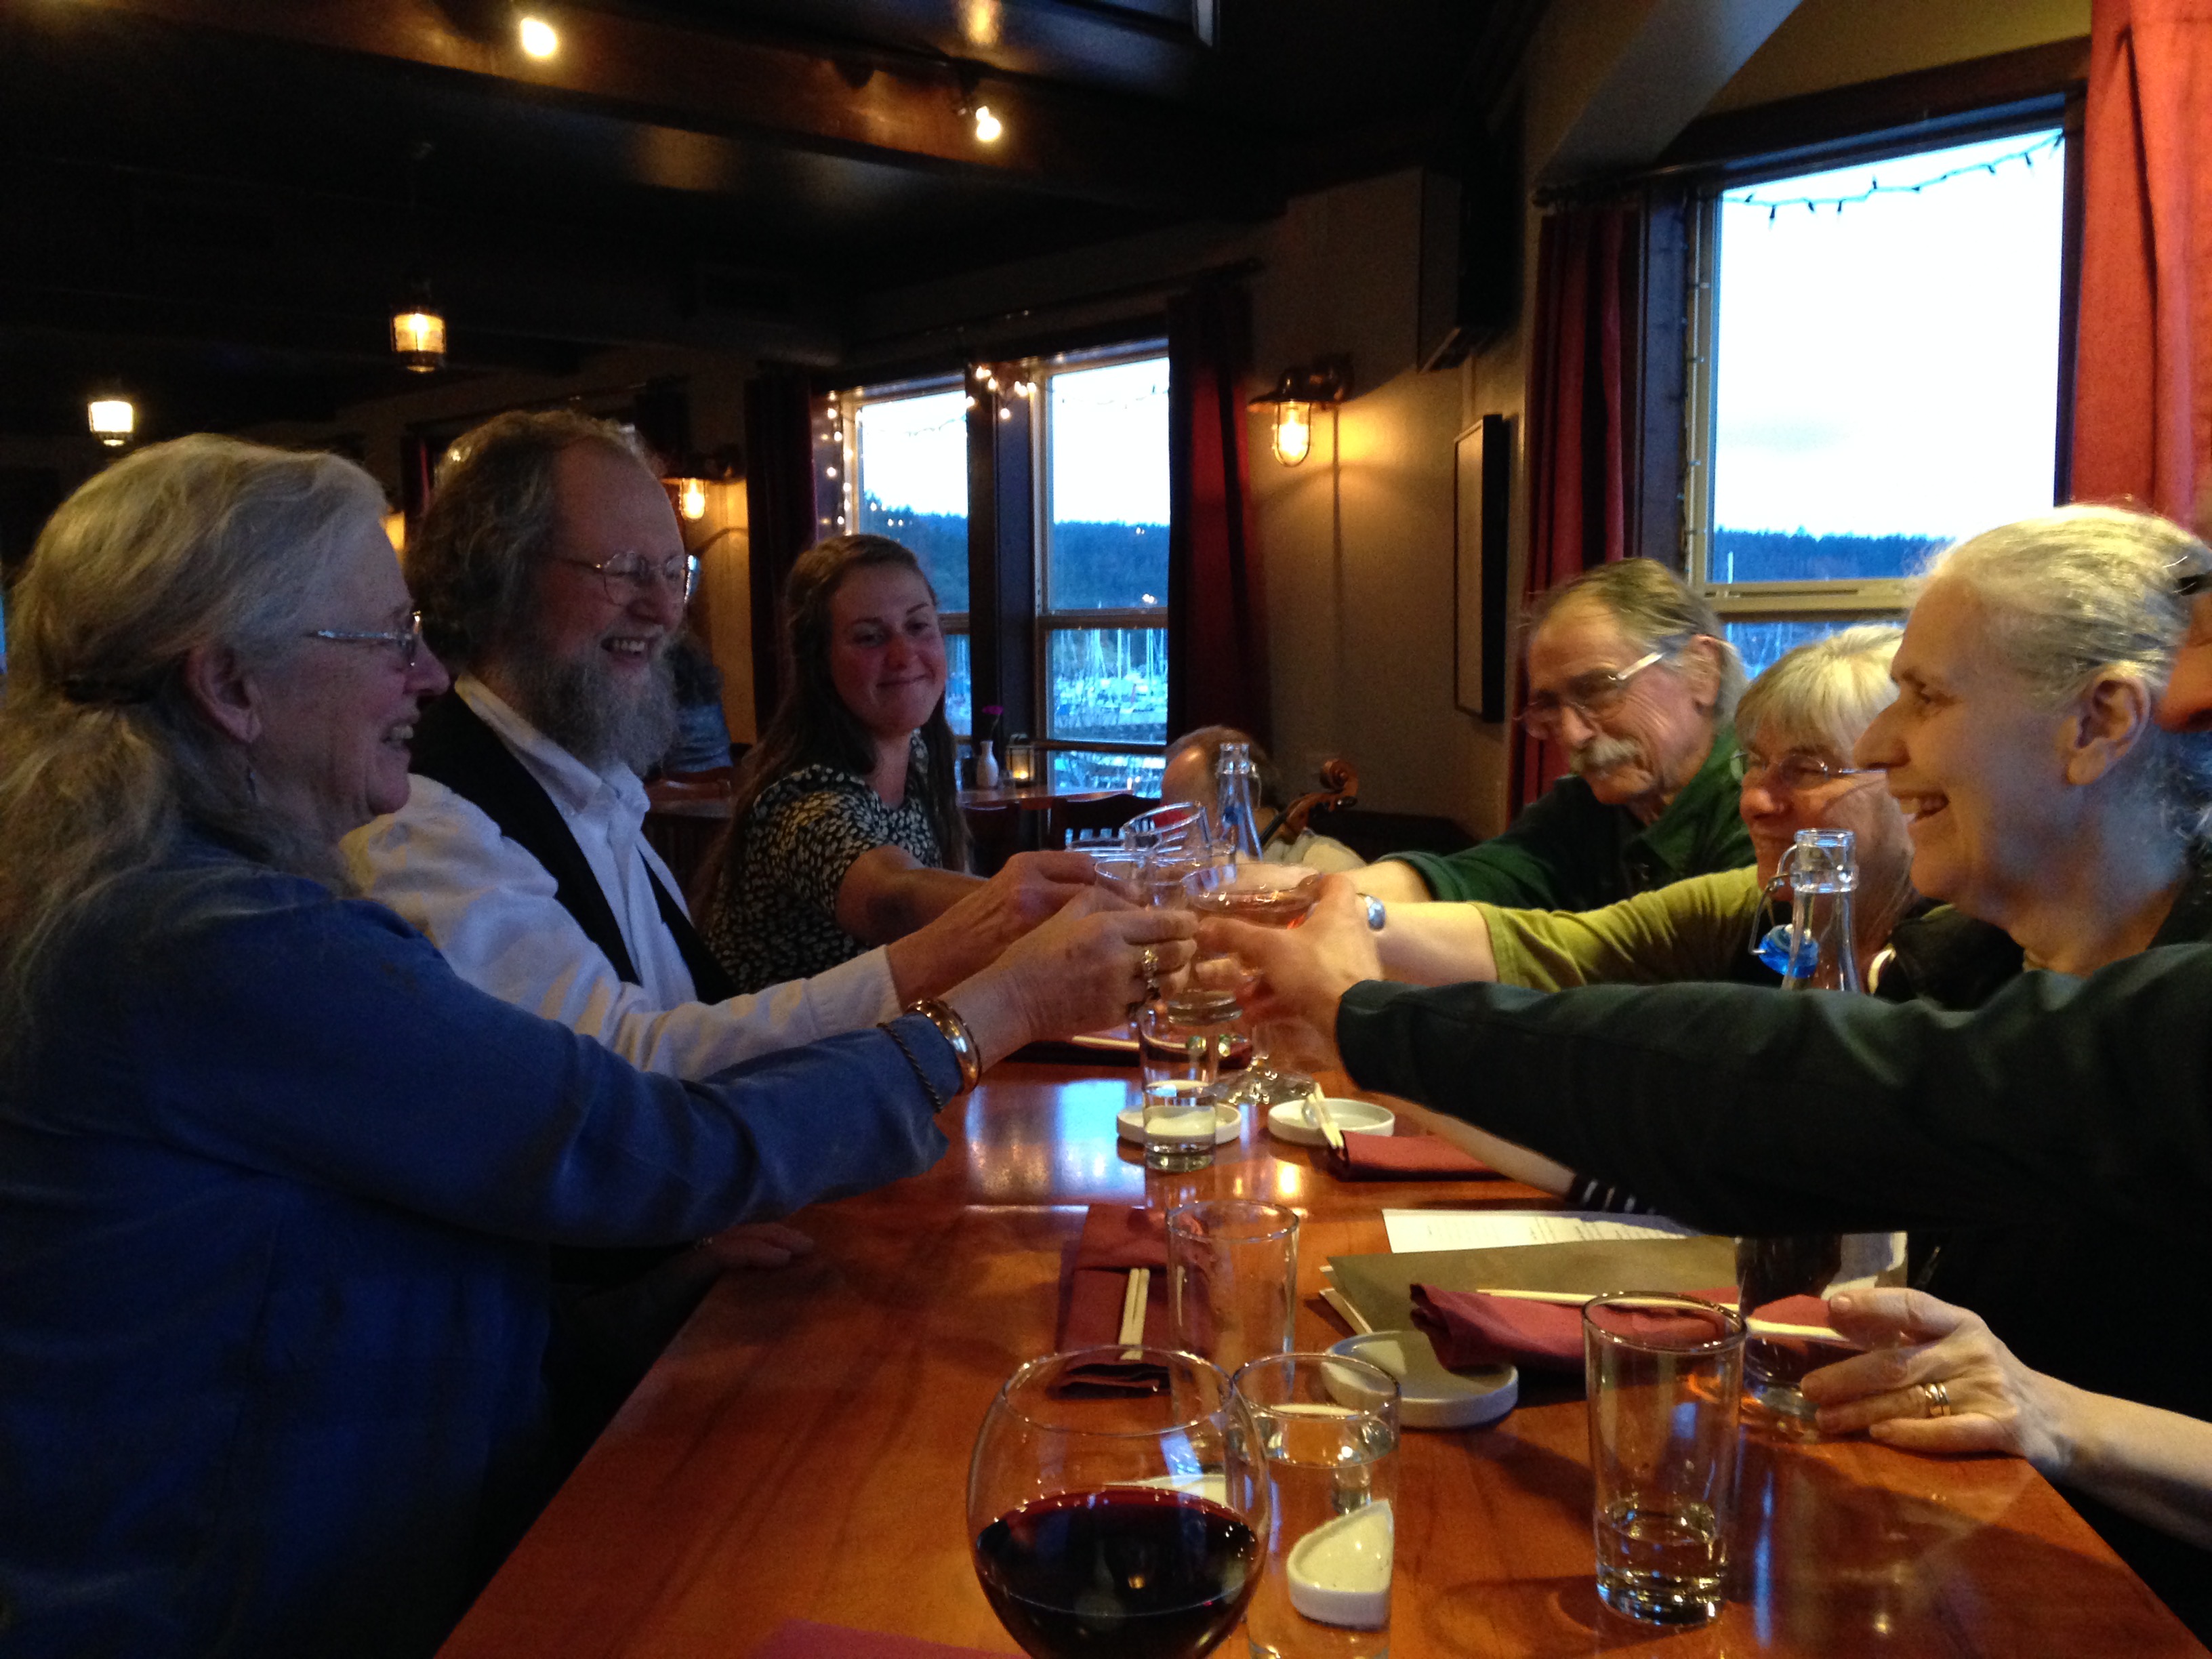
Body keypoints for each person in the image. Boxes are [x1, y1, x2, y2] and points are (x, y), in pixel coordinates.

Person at [0, 434, 1192, 1658]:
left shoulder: (165, 900)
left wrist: (637, 1293)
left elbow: (384, 1238)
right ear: (230, 685)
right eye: (383, 637)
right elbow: (625, 1136)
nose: (423, 673)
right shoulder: (198, 939)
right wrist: (987, 1014)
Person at [348, 413, 1096, 1082]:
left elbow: (685, 1040)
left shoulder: (597, 794)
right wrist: (996, 930)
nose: (666, 610)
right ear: (500, 577)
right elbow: (612, 1076)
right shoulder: (425, 822)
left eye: (674, 573)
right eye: (624, 571)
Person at [1372, 626, 1914, 994]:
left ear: (1915, 781)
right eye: (1755, 763)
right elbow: (1563, 946)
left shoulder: (1950, 953)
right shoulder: (1746, 903)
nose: (1754, 801)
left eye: (1807, 770)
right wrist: (1351, 917)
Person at [699, 533, 1008, 994]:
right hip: (791, 1044)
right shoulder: (803, 803)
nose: (904, 655)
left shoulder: (920, 757)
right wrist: (1032, 901)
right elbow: (894, 898)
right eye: (869, 637)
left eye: (918, 626)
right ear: (818, 662)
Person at [1352, 558, 1753, 909]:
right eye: (1550, 707)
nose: (1573, 735)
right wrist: (1338, 894)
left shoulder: (1767, 808)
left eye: (1597, 690)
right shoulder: (1584, 808)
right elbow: (1477, 876)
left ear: (1702, 671)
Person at [1158, 724, 1361, 872]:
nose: (1167, 840)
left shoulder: (1331, 868)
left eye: (1177, 818)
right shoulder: (1209, 879)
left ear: (1236, 799)